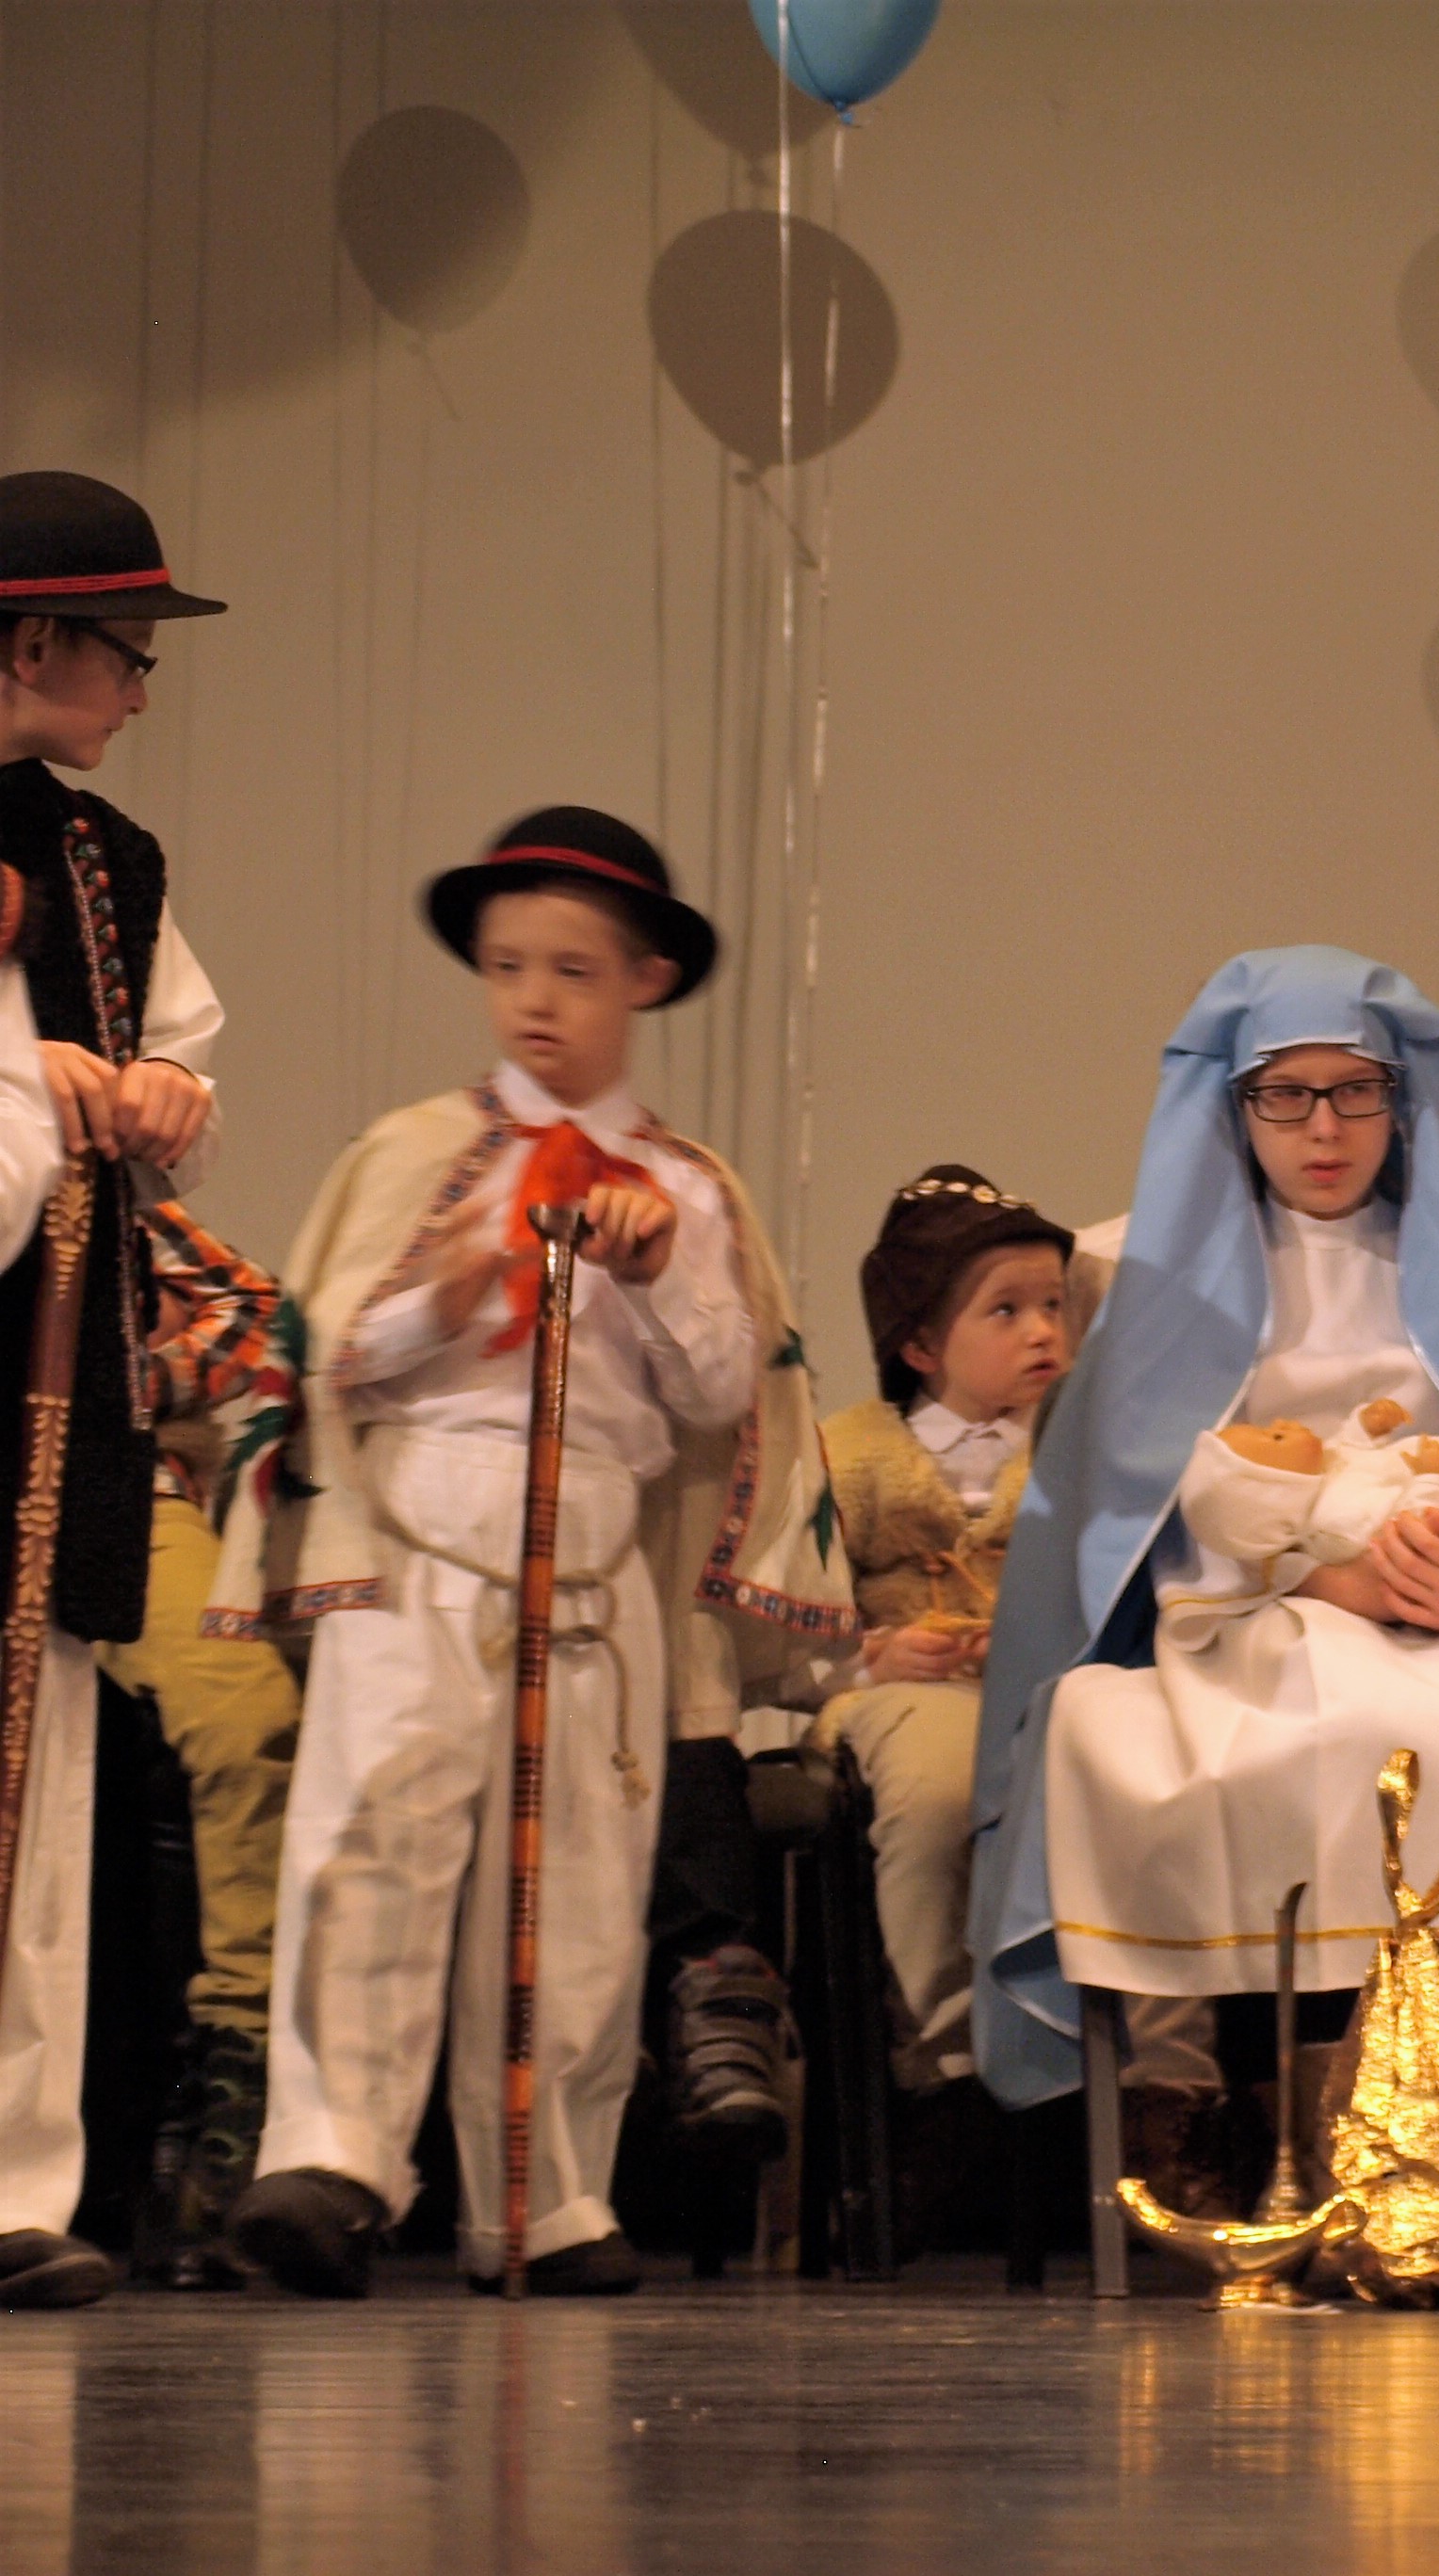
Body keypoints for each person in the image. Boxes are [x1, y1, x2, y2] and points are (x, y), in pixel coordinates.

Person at [214, 809, 852, 2298]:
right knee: (376, 1838)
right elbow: (333, 1348)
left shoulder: (686, 1186)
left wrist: (653, 1269)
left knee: (577, 1878)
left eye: (572, 969)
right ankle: (334, 2158)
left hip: (594, 1552)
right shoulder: (414, 1154)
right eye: (509, 968)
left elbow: (722, 1394)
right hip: (422, 1541)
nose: (536, 1001)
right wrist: (456, 1279)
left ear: (643, 980)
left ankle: (544, 2188)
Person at [973, 949, 1439, 2154]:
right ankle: (1298, 2123)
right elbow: (1149, 1506)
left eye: (1356, 1091)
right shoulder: (1167, 1287)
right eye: (1285, 1094)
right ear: (1235, 1107)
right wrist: (1319, 1573)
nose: (1323, 1128)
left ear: (1402, 1100)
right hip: (1263, 1600)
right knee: (1319, 1728)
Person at [0, 471, 230, 2312]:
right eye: (123, 650)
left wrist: (155, 1094)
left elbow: (180, 1047)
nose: (141, 686)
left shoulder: (107, 857)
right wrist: (36, 1085)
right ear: (30, 645)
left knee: (47, 1758)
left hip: (50, 1368)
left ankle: (13, 2178)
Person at [818, 1166, 1071, 2101]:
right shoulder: (850, 1454)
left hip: (1055, 1687)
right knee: (938, 1791)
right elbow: (796, 1616)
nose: (1043, 1330)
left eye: (1053, 1305)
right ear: (921, 1344)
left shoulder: (1075, 1449)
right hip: (910, 1686)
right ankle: (946, 2035)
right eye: (1006, 1310)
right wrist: (875, 1656)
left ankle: (1142, 2056)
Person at [103, 1200, 305, 2289]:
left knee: (246, 1714)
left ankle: (237, 2063)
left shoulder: (100, 1178)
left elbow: (260, 1315)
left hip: (115, 1493)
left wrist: (126, 1378)